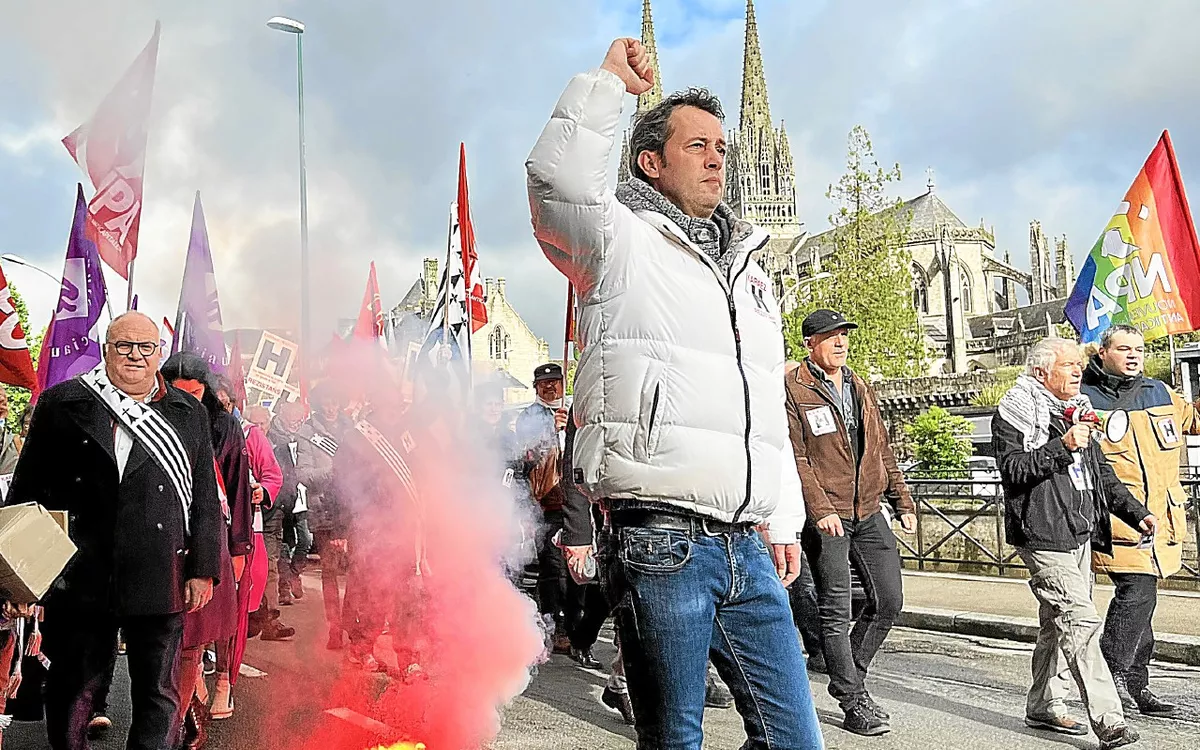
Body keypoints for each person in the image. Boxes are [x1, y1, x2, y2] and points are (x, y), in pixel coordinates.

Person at [526, 38, 818, 748]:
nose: (718, 157)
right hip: (663, 537)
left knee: (794, 739)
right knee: (675, 738)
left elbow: (758, 407)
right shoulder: (618, 239)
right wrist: (605, 85)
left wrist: (782, 513)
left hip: (745, 541)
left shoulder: (751, 268)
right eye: (697, 145)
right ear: (650, 162)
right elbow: (558, 185)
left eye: (722, 146)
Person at [7, 311, 223, 750]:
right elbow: (26, 491)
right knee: (74, 690)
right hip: (80, 570)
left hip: (161, 567)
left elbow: (204, 497)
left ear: (159, 353)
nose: (135, 356)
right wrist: (16, 574)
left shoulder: (188, 413)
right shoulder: (62, 402)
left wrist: (203, 567)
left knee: (158, 694)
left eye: (146, 347)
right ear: (107, 349)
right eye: (124, 345)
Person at [993, 337, 1156, 750]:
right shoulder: (1015, 411)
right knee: (1081, 621)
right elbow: (1013, 470)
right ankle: (1109, 719)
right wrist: (1062, 446)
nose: (1077, 371)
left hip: (1079, 533)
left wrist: (1138, 514)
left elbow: (1102, 475)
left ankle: (1043, 704)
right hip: (1042, 534)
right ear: (1041, 372)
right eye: (1068, 366)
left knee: (1055, 621)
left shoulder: (1076, 413)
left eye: (1078, 365)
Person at [784, 310, 913, 736]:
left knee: (889, 601)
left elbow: (881, 448)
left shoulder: (859, 385)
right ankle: (852, 699)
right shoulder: (794, 389)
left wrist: (903, 499)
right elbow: (797, 457)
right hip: (829, 515)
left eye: (843, 336)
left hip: (869, 509)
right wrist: (819, 509)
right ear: (810, 343)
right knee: (835, 610)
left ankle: (848, 671)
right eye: (830, 337)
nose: (840, 343)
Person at [1081, 324, 1197, 717]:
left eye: (1139, 349)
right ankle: (1111, 674)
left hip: (1161, 519)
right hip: (1118, 521)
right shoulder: (1084, 398)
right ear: (1102, 353)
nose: (1134, 355)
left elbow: (1193, 421)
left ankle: (1136, 683)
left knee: (1144, 602)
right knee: (1138, 592)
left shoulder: (1160, 392)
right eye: (1124, 348)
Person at [161, 353, 254, 747]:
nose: (186, 403)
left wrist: (237, 550)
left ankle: (181, 721)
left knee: (193, 639)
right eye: (178, 394)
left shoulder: (225, 427)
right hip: (162, 541)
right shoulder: (149, 419)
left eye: (195, 394)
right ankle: (174, 714)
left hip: (209, 541)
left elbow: (236, 492)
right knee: (162, 639)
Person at [514, 363, 572, 654]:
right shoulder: (530, 417)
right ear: (536, 387)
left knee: (574, 570)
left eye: (555, 382)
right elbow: (526, 455)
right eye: (544, 383)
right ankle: (552, 622)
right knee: (553, 567)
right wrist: (552, 430)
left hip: (573, 502)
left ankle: (567, 621)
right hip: (545, 503)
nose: (550, 387)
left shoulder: (574, 411)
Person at [306, 385, 355, 650]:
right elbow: (303, 473)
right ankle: (335, 628)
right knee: (329, 571)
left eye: (335, 399)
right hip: (324, 508)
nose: (331, 405)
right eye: (326, 399)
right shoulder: (307, 432)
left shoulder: (355, 430)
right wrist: (335, 474)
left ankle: (352, 623)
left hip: (355, 508)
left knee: (357, 571)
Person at [240, 405, 291, 641]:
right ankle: (249, 617)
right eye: (256, 422)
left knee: (267, 568)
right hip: (245, 515)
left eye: (264, 423)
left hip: (271, 514)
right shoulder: (242, 437)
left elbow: (282, 475)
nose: (260, 427)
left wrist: (273, 496)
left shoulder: (279, 444)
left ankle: (268, 620)